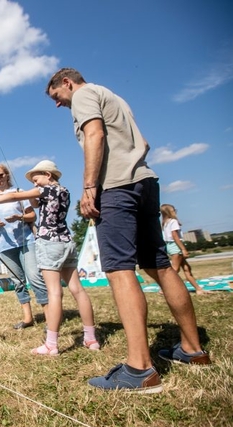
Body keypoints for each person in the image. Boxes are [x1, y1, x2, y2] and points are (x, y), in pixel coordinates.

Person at [45, 68, 211, 393]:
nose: (58, 104)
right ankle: (193, 349)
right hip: (145, 182)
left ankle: (139, 369)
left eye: (56, 97)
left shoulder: (82, 95)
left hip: (117, 187)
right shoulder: (114, 97)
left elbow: (95, 135)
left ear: (66, 83)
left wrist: (90, 186)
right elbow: (143, 141)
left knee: (120, 270)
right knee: (160, 265)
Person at [0, 160, 99, 355]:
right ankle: (91, 338)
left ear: (48, 175)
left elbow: (15, 196)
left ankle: (51, 344)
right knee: (78, 290)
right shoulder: (64, 190)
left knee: (54, 293)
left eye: (36, 179)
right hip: (66, 240)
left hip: (50, 243)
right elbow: (35, 204)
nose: (35, 184)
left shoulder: (45, 190)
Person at [0, 163, 49, 329]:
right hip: (6, 246)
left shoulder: (19, 192)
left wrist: (19, 217)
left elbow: (32, 215)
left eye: (0, 175)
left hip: (26, 241)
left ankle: (49, 317)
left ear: (7, 175)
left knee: (35, 278)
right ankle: (27, 318)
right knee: (17, 281)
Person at [160, 204, 205, 295]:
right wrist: (183, 249)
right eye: (173, 210)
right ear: (169, 212)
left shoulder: (165, 223)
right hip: (175, 246)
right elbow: (175, 236)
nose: (175, 211)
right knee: (174, 270)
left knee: (187, 268)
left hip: (170, 246)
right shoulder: (173, 221)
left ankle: (198, 289)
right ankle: (163, 289)